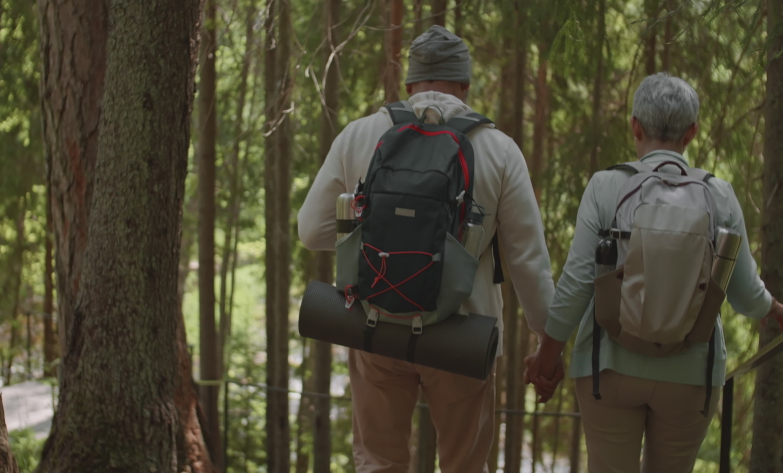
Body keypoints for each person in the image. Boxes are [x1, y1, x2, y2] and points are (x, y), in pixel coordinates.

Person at [298, 25, 555, 472]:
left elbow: (311, 230)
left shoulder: (360, 135)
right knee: (464, 465)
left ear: (410, 81)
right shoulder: (499, 150)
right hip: (463, 335)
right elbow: (528, 261)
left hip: (376, 325)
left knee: (379, 461)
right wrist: (545, 342)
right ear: (466, 84)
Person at [526, 72, 783, 473]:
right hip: (692, 377)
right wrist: (775, 309)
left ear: (635, 127)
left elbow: (577, 284)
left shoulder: (606, 187)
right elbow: (746, 295)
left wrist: (547, 360)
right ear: (692, 133)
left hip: (607, 370)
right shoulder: (719, 196)